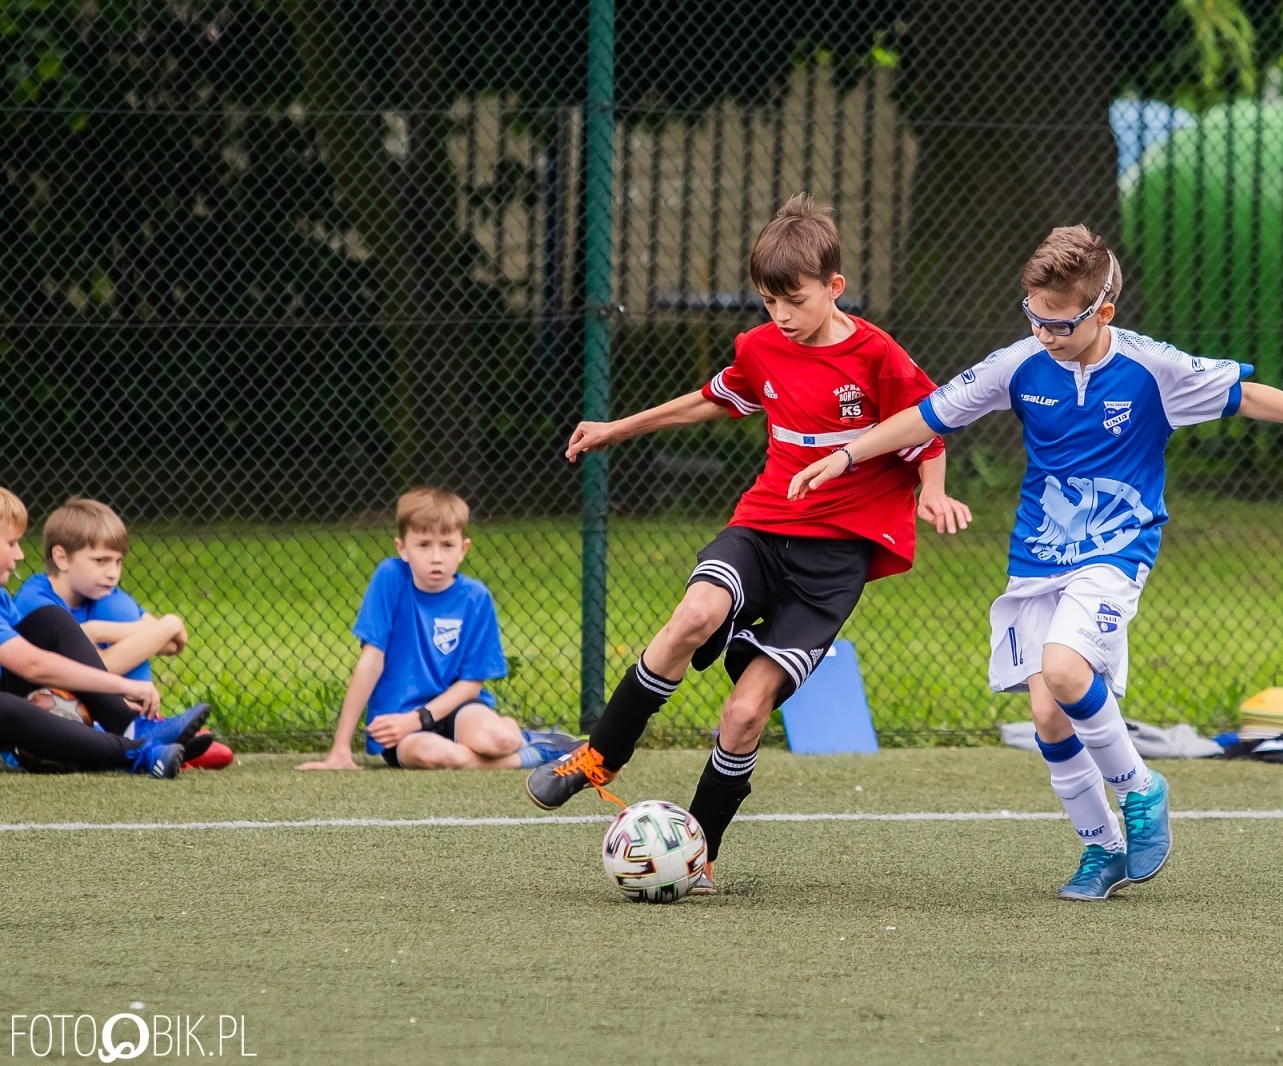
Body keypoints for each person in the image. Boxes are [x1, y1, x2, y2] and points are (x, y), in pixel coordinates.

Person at [789, 225, 1283, 901]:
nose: (1045, 335)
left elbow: (1244, 395)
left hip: (1116, 551)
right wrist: (843, 457)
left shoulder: (1152, 369)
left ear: (1103, 311)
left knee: (1066, 671)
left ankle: (1142, 788)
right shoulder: (1018, 365)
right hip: (1037, 557)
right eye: (1034, 320)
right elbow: (927, 417)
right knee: (1048, 715)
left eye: (1060, 324)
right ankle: (1101, 850)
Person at [525, 194, 972, 894]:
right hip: (764, 527)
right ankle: (599, 757)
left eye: (794, 300)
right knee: (693, 617)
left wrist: (934, 490)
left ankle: (697, 855)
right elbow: (715, 398)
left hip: (832, 564)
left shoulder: (877, 355)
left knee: (742, 714)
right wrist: (617, 428)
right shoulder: (761, 348)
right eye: (768, 302)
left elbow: (930, 425)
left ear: (833, 287)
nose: (782, 318)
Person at [297, 487, 577, 771]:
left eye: (446, 545)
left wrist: (419, 718)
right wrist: (341, 748)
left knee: (500, 741)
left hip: (458, 711)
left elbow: (471, 685)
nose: (435, 557)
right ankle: (537, 754)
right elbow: (370, 663)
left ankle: (518, 736)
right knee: (439, 756)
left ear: (463, 549)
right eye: (423, 545)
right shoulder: (390, 578)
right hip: (401, 724)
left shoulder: (475, 597)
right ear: (402, 548)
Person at [0, 487, 211, 778]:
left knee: (50, 621)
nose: (21, 554)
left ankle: (131, 727)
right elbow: (32, 664)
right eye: (11, 543)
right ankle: (136, 752)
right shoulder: (35, 593)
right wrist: (122, 685)